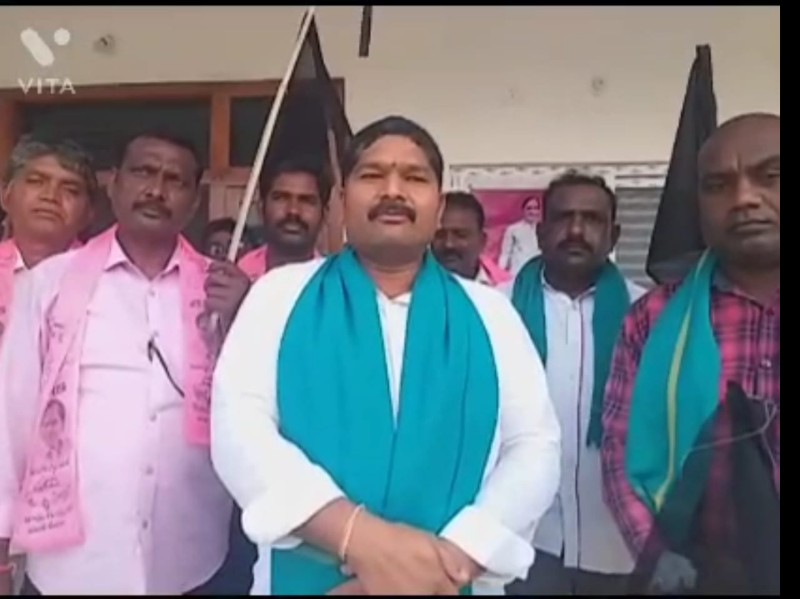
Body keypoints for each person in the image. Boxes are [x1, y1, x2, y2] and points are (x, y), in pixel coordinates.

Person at [211, 115, 561, 595]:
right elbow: (240, 430)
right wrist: (359, 538)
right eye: (372, 175)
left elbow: (534, 445)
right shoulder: (279, 295)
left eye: (414, 178)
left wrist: (444, 564)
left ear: (439, 207)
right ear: (341, 201)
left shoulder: (491, 312)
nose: (393, 190)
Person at [0, 131, 251, 595]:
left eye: (174, 180)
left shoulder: (221, 291)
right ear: (114, 184)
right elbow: (11, 410)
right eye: (143, 172)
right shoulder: (50, 284)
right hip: (72, 563)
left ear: (194, 202)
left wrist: (241, 315)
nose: (156, 190)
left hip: (192, 553)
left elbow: (251, 403)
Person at [602, 113, 780, 593]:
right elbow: (621, 452)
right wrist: (660, 556)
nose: (744, 198)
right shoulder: (654, 318)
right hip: (704, 577)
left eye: (770, 176)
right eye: (718, 185)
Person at [501, 171, 645, 595]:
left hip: (618, 542)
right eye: (563, 218)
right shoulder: (495, 308)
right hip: (521, 538)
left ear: (614, 235)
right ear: (541, 232)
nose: (577, 230)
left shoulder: (646, 312)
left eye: (592, 219)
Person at [0, 134, 96, 351]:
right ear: (6, 196)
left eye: (70, 190)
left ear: (89, 213)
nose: (50, 196)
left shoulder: (104, 278)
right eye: (36, 182)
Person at [237, 156, 329, 281]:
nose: (293, 210)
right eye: (281, 198)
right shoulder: (238, 275)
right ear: (261, 208)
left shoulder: (334, 284)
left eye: (306, 201)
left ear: (324, 213)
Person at [432, 191, 511, 287]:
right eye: (439, 235)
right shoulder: (416, 287)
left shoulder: (505, 288)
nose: (449, 244)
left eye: (460, 235)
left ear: (482, 241)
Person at [499, 194, 541, 275]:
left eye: (536, 208)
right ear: (523, 210)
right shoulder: (513, 229)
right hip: (517, 272)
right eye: (529, 208)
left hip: (536, 272)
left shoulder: (543, 229)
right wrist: (500, 273)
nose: (532, 211)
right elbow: (505, 254)